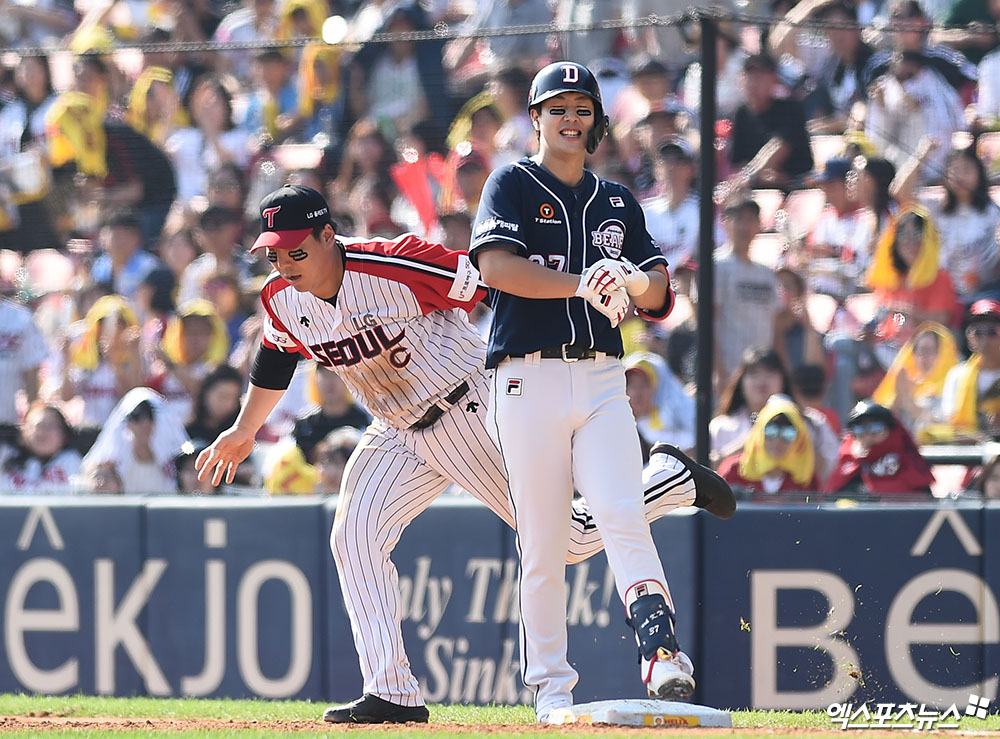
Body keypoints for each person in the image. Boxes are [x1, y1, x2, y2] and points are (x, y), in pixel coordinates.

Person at [195, 184, 735, 724]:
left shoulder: (394, 264)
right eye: (274, 254)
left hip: (467, 406)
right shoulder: (281, 298)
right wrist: (244, 430)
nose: (284, 263)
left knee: (567, 539)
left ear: (327, 236)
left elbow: (493, 286)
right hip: (395, 428)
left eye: (295, 250)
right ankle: (392, 692)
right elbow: (276, 356)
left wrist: (538, 366)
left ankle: (669, 478)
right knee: (354, 537)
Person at [470, 61, 698, 723]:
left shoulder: (617, 199)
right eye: (558, 107)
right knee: (544, 541)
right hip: (526, 376)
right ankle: (551, 690)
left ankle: (660, 651)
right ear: (536, 117)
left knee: (622, 511)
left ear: (597, 119)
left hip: (601, 376)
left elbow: (660, 292)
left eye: (582, 107)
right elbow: (496, 267)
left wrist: (628, 278)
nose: (571, 118)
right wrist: (582, 283)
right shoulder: (511, 182)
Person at [824, 400, 934, 497]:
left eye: (876, 429)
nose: (867, 436)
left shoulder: (908, 464)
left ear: (891, 431)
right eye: (859, 429)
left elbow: (922, 501)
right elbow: (831, 498)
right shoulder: (847, 464)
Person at [718, 395, 820, 495]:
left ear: (799, 439)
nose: (778, 440)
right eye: (771, 430)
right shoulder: (733, 471)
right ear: (758, 433)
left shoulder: (806, 481)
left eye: (788, 433)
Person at [0, 404, 81, 494]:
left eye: (51, 426)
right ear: (23, 432)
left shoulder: (72, 460)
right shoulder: (6, 456)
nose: (43, 433)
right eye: (38, 426)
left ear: (64, 435)